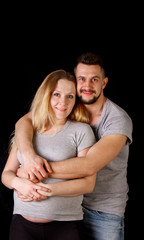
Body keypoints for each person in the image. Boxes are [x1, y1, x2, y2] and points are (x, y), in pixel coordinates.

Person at [14, 52, 133, 240]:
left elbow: (88, 165)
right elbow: (24, 122)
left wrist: (32, 170)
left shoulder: (117, 119)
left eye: (95, 79)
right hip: (68, 205)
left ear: (104, 83)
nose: (87, 85)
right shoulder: (67, 106)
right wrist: (28, 157)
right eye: (82, 79)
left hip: (103, 210)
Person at [1, 69, 96, 240]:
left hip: (64, 225)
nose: (63, 102)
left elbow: (88, 184)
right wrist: (19, 183)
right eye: (57, 94)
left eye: (70, 96)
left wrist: (44, 190)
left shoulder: (81, 131)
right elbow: (6, 174)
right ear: (46, 95)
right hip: (22, 224)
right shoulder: (27, 131)